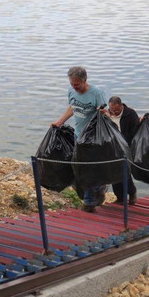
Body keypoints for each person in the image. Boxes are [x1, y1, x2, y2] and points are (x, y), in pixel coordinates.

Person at [51, 66, 107, 212]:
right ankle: (99, 189)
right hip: (77, 134)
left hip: (92, 138)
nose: (74, 87)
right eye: (72, 84)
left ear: (84, 80)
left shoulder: (96, 93)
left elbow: (103, 114)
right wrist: (59, 122)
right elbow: (72, 107)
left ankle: (88, 202)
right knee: (80, 167)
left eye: (77, 85)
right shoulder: (71, 91)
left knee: (86, 168)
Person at [102, 96, 140, 205]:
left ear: (121, 106)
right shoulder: (106, 115)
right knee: (113, 173)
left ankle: (132, 192)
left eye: (117, 110)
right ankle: (120, 197)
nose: (114, 112)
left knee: (125, 172)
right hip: (111, 148)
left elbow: (135, 130)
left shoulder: (130, 113)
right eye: (112, 110)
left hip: (126, 148)